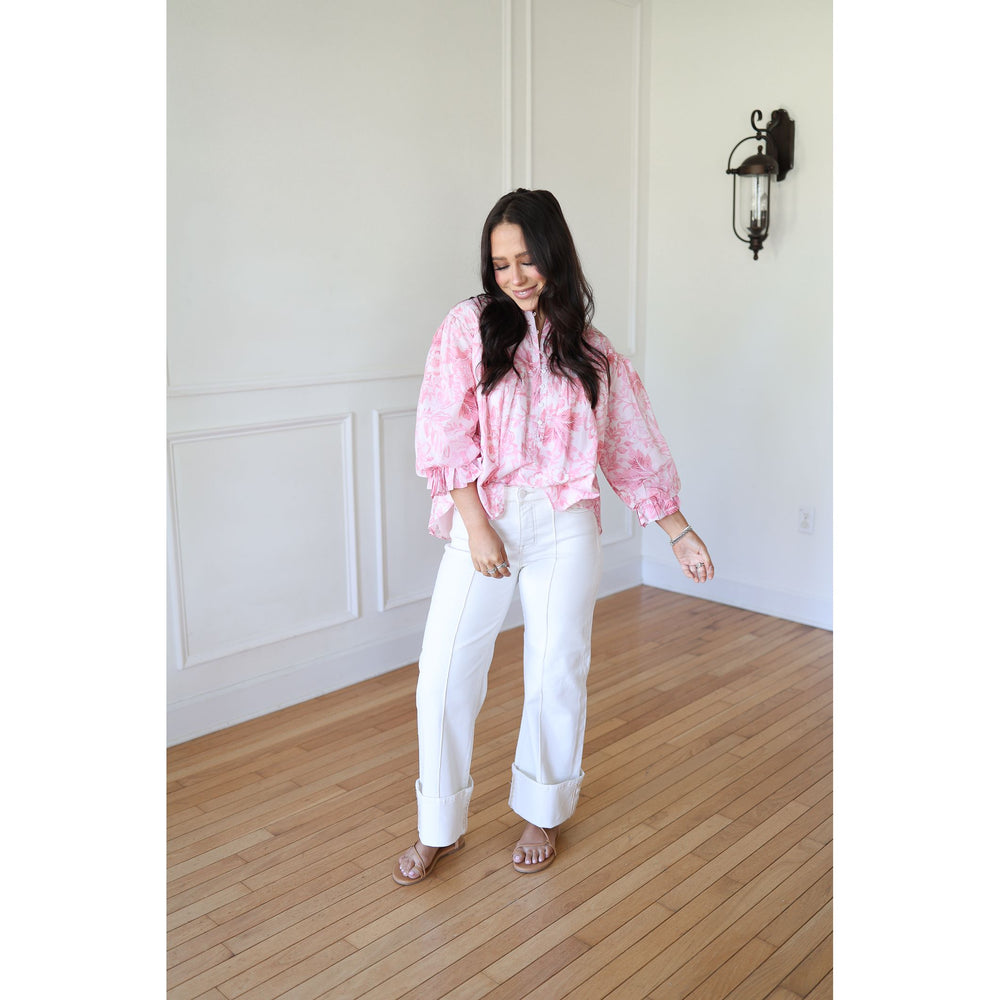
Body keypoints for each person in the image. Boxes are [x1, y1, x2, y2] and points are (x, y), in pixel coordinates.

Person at [392, 188, 713, 885]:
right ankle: (437, 824)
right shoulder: (468, 328)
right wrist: (477, 527)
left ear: (554, 256)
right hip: (489, 517)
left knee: (556, 670)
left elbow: (631, 449)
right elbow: (443, 432)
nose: (513, 277)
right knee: (443, 677)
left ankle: (542, 807)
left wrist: (678, 531)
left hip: (566, 524)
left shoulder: (592, 352)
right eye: (500, 264)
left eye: (526, 260)